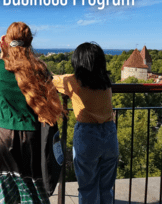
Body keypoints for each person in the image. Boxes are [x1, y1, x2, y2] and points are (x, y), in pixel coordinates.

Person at [0, 22, 66, 204]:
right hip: (32, 138)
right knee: (33, 191)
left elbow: (5, 66)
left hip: (4, 137)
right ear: (30, 42)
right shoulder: (40, 69)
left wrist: (3, 52)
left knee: (7, 192)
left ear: (7, 42)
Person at [52, 42, 119, 204]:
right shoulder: (106, 82)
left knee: (88, 188)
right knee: (106, 187)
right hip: (110, 134)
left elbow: (49, 79)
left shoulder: (73, 81)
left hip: (87, 135)